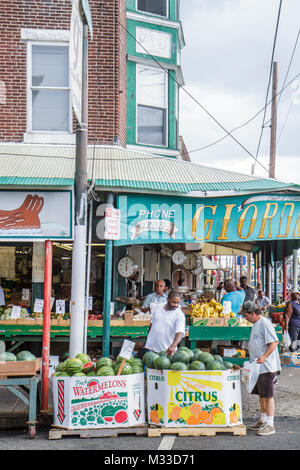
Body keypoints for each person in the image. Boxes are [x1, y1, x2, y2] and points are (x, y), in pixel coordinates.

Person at [241, 301, 281, 436]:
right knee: (261, 394)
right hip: (258, 366)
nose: (245, 318)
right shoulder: (256, 324)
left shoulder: (264, 323)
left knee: (268, 395)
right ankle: (263, 419)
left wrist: (264, 356)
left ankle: (270, 424)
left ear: (253, 313)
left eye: (246, 316)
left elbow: (274, 342)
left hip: (266, 366)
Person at [145, 290, 185, 355]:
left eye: (178, 303)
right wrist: (148, 338)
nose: (176, 305)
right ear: (167, 299)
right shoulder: (158, 307)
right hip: (151, 348)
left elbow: (180, 333)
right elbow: (152, 323)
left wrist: (173, 346)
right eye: (174, 302)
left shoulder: (179, 314)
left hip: (166, 351)